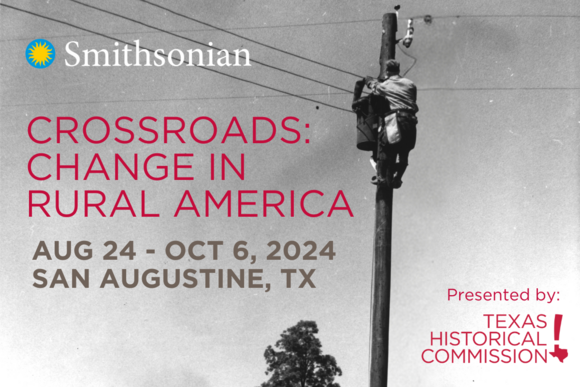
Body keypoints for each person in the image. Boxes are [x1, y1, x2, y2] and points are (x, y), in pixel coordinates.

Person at [364, 60, 418, 188]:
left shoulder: (386, 85)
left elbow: (373, 86)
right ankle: (398, 179)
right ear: (398, 70)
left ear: (387, 71)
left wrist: (368, 80)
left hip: (396, 119)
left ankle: (381, 178)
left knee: (384, 146)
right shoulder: (410, 84)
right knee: (404, 152)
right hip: (411, 121)